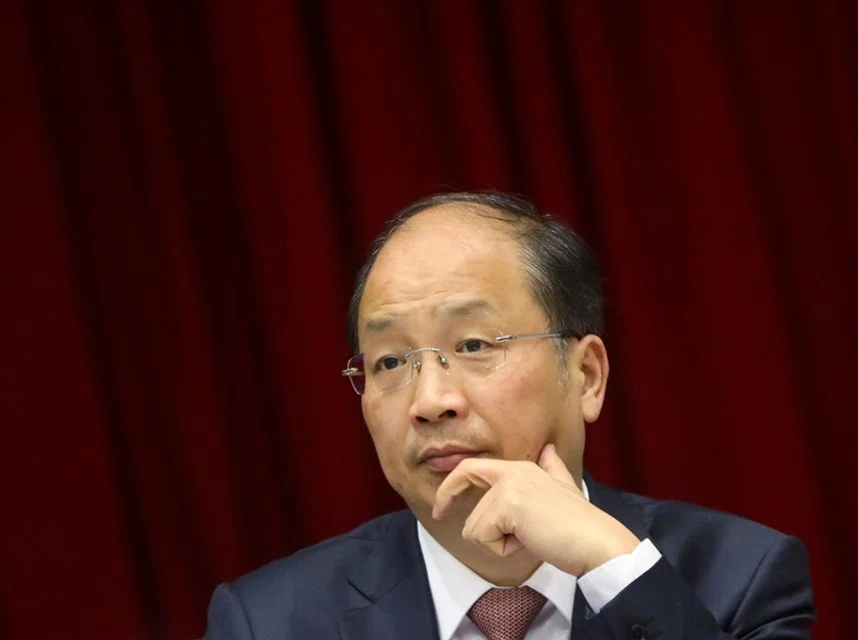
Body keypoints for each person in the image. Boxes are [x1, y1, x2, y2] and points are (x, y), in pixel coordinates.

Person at [204, 191, 815, 639]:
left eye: (473, 345)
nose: (430, 401)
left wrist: (613, 570)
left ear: (586, 376)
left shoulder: (739, 579)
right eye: (390, 361)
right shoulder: (269, 623)